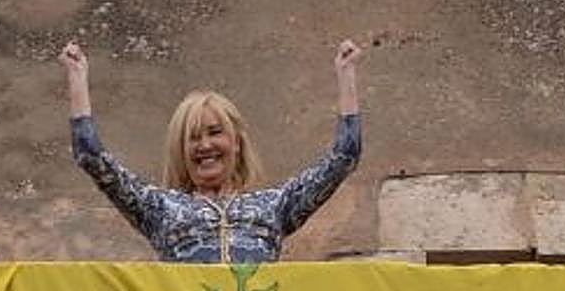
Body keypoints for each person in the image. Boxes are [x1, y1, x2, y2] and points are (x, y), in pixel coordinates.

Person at [58, 39, 363, 263]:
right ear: (181, 151)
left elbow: (344, 157)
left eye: (215, 132)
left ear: (236, 142)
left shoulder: (274, 206)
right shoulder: (160, 208)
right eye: (192, 138)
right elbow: (90, 155)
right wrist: (77, 76)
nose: (205, 145)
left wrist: (346, 74)